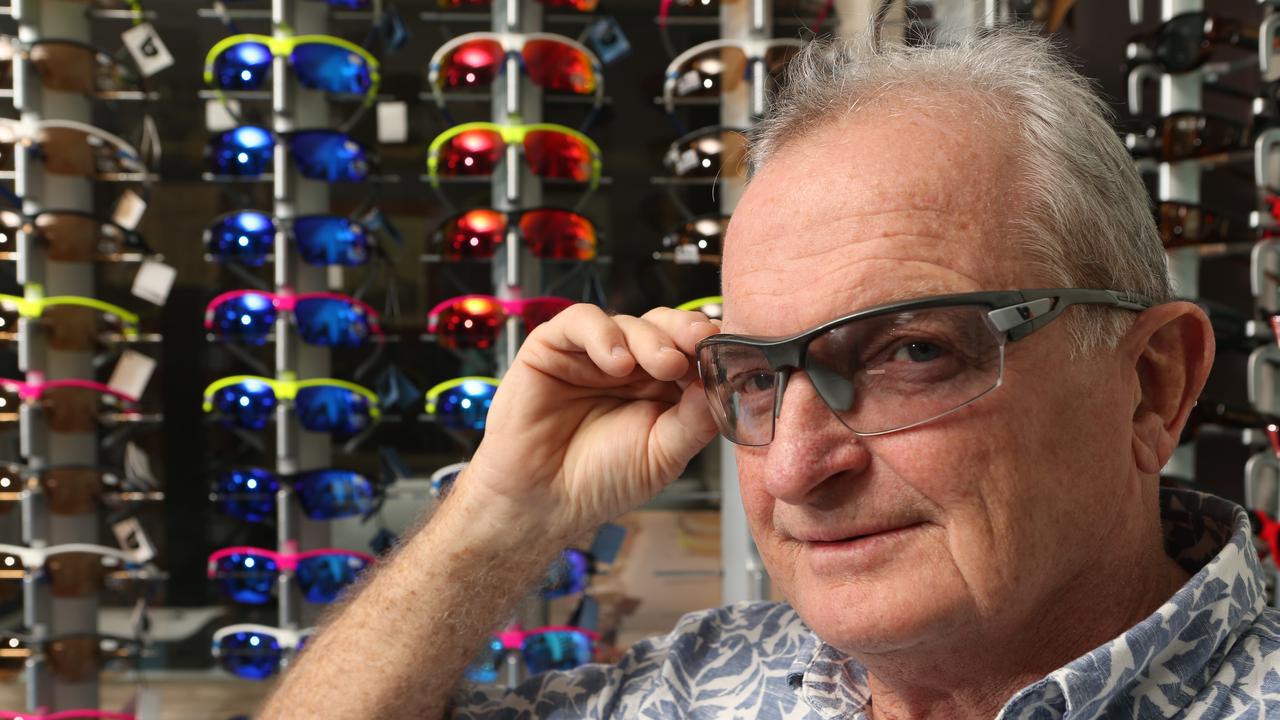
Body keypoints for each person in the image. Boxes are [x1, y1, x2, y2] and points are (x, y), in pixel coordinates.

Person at [260, 28, 1280, 720]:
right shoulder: (707, 687)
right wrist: (502, 513)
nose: (795, 468)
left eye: (909, 352)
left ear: (1150, 384)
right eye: (751, 378)